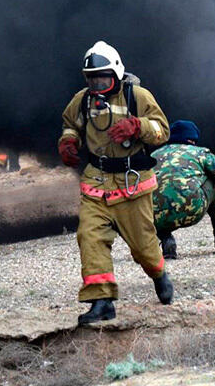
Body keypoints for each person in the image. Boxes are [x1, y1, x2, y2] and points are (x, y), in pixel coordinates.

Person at [58, 41, 173, 325]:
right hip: (96, 183)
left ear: (116, 73)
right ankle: (102, 301)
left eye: (103, 78)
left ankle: (159, 274)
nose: (98, 85)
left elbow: (162, 130)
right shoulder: (83, 100)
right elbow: (70, 123)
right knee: (90, 237)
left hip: (131, 184)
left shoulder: (138, 96)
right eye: (92, 79)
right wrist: (69, 140)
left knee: (144, 247)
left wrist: (138, 127)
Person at [152, 120, 215, 259]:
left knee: (155, 193)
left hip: (154, 216)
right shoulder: (200, 153)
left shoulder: (154, 155)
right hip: (192, 209)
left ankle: (166, 239)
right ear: (192, 139)